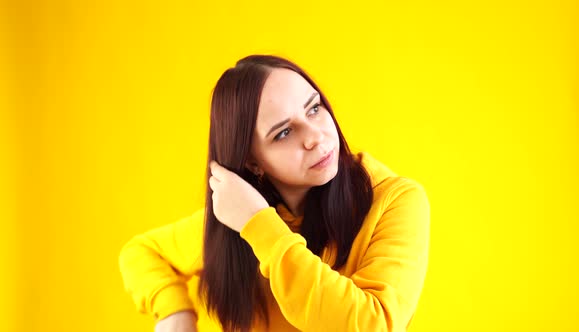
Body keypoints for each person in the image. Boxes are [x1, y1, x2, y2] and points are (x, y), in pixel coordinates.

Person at [118, 54, 430, 332]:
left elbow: (373, 325)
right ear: (253, 163)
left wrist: (260, 226)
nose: (315, 135)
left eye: (314, 108)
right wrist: (175, 313)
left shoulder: (395, 200)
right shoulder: (239, 223)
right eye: (283, 132)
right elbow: (142, 252)